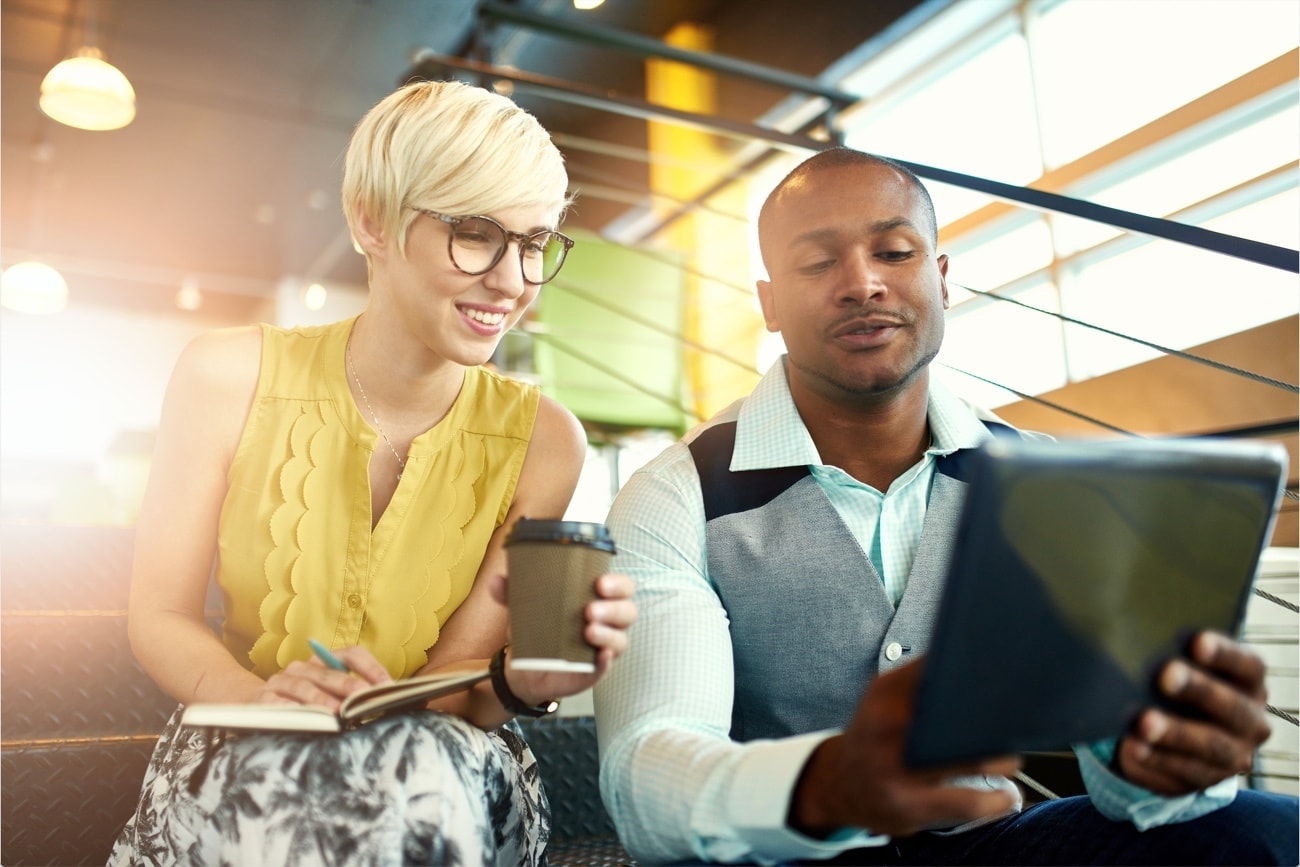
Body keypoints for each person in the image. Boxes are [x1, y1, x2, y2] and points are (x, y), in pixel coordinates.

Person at [593, 147, 1298, 866]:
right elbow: (646, 771)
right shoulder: (674, 493)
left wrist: (1166, 765)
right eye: (816, 264)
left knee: (1270, 833)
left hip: (987, 841)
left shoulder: (1048, 487)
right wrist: (831, 784)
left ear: (942, 277)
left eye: (895, 251)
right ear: (770, 304)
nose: (862, 284)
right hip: (781, 855)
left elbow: (1131, 792)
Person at [109, 79, 637, 866]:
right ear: (372, 221)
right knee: (285, 797)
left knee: (408, 781)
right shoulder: (225, 376)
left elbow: (460, 685)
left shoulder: (546, 439)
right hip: (248, 731)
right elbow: (159, 617)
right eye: (475, 234)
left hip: (444, 757)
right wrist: (257, 698)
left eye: (533, 243)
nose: (512, 279)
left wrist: (526, 680)